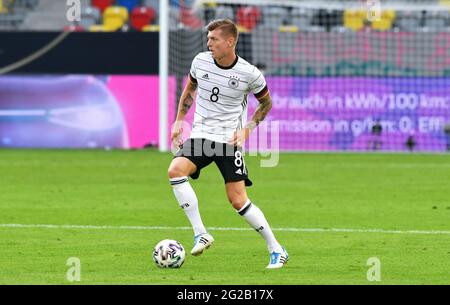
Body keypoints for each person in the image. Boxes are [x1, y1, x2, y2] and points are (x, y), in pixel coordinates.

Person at [167, 19, 288, 269]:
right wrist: (179, 119)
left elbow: (266, 104)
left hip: (228, 142)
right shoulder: (200, 61)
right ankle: (201, 233)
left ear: (230, 42)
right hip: (200, 136)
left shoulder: (249, 73)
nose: (208, 43)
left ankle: (276, 249)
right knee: (175, 171)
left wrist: (248, 129)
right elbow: (190, 89)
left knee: (238, 200)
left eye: (214, 39)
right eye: (208, 38)